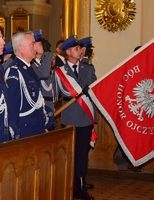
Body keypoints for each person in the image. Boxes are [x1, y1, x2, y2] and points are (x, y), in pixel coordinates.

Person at [56, 35, 97, 200]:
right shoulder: (60, 71)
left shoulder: (88, 68)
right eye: (76, 48)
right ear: (67, 52)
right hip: (69, 116)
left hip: (85, 117)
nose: (80, 51)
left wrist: (90, 88)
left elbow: (94, 86)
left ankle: (80, 187)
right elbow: (58, 92)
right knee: (70, 154)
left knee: (82, 153)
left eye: (80, 48)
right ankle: (69, 185)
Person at [5, 31, 46, 139]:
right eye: (32, 44)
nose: (35, 48)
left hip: (36, 128)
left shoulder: (29, 68)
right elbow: (12, 106)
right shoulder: (14, 71)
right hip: (25, 131)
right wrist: (14, 133)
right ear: (21, 48)